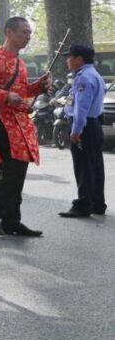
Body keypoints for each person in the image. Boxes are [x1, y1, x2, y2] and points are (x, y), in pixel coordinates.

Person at [0, 17, 51, 237]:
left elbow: (23, 91)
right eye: (23, 32)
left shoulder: (21, 62)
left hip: (20, 123)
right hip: (2, 121)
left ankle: (12, 221)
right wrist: (6, 96)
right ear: (9, 32)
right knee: (12, 170)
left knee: (19, 171)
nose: (27, 37)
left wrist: (39, 87)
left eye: (29, 33)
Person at [59, 43, 106, 218]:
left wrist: (76, 130)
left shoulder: (83, 78)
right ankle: (97, 202)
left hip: (84, 126)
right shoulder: (94, 74)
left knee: (83, 166)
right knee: (95, 165)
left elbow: (81, 108)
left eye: (69, 57)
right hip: (94, 124)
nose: (67, 61)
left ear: (79, 59)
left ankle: (83, 204)